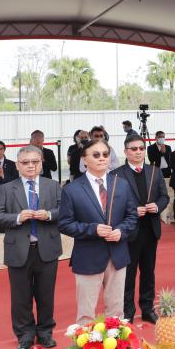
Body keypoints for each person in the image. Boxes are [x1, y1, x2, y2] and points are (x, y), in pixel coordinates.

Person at [0, 145, 62, 349]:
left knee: (46, 294)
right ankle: (25, 335)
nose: (30, 166)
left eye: (35, 162)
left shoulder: (53, 185)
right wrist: (18, 217)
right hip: (18, 249)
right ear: (18, 165)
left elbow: (64, 210)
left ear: (41, 163)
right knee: (20, 297)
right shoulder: (7, 188)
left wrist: (48, 215)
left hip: (47, 247)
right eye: (25, 162)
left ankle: (46, 332)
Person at [58, 139, 138, 324]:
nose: (102, 158)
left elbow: (132, 217)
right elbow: (64, 224)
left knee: (117, 310)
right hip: (88, 256)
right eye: (96, 155)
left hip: (117, 255)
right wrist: (93, 230)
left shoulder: (122, 184)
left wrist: (121, 231)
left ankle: (117, 348)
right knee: (86, 313)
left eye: (105, 154)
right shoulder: (72, 189)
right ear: (84, 160)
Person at [111, 135, 169, 323]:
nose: (138, 152)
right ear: (126, 151)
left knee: (148, 271)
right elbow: (112, 204)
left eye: (141, 149)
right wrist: (132, 211)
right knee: (127, 274)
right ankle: (127, 311)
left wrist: (158, 206)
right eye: (133, 149)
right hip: (128, 232)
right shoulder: (116, 175)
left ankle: (147, 308)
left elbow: (164, 196)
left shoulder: (155, 172)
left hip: (150, 229)